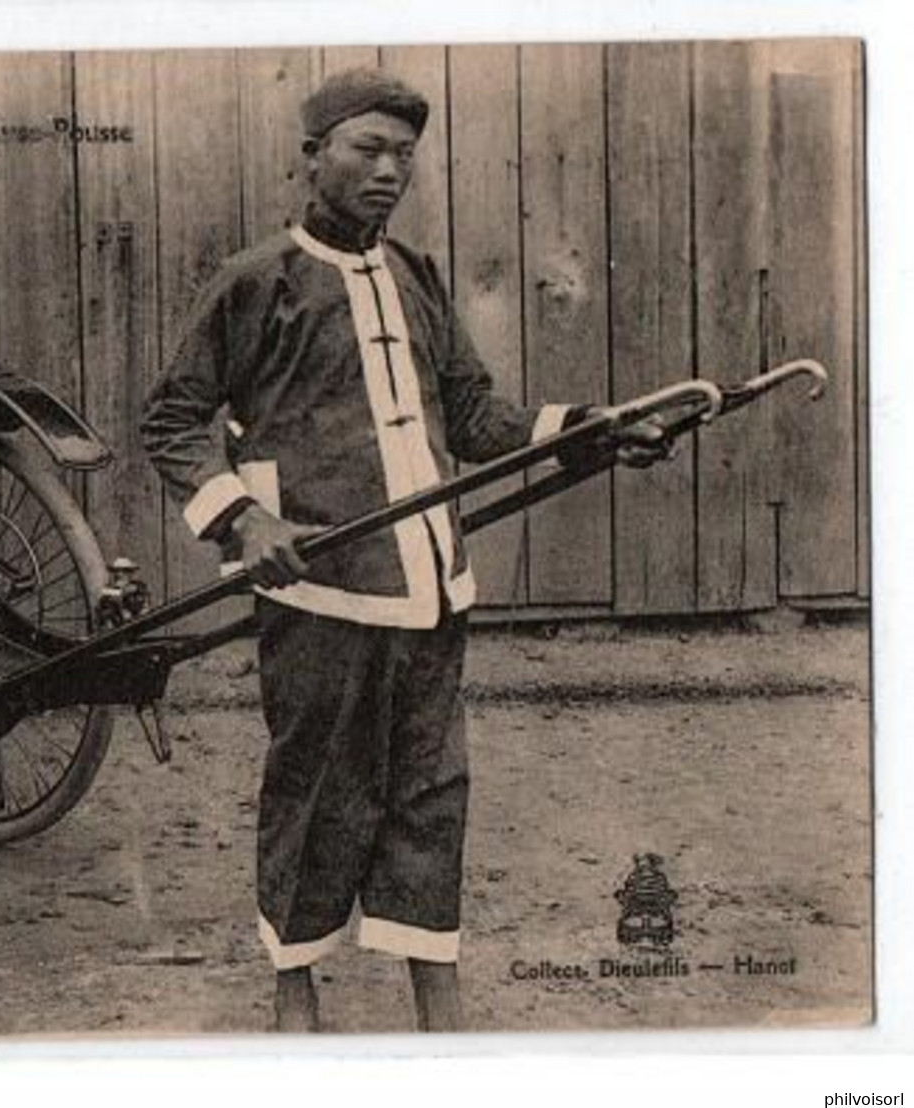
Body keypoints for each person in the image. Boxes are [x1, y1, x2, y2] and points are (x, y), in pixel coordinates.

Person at [139, 67, 668, 1033]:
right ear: (312, 159)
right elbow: (172, 419)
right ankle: (293, 991)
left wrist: (592, 427)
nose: (389, 171)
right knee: (316, 794)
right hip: (323, 595)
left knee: (429, 794)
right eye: (366, 149)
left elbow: (472, 416)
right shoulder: (259, 283)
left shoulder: (415, 276)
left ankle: (437, 1000)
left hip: (433, 591)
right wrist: (243, 522)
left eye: (404, 155)